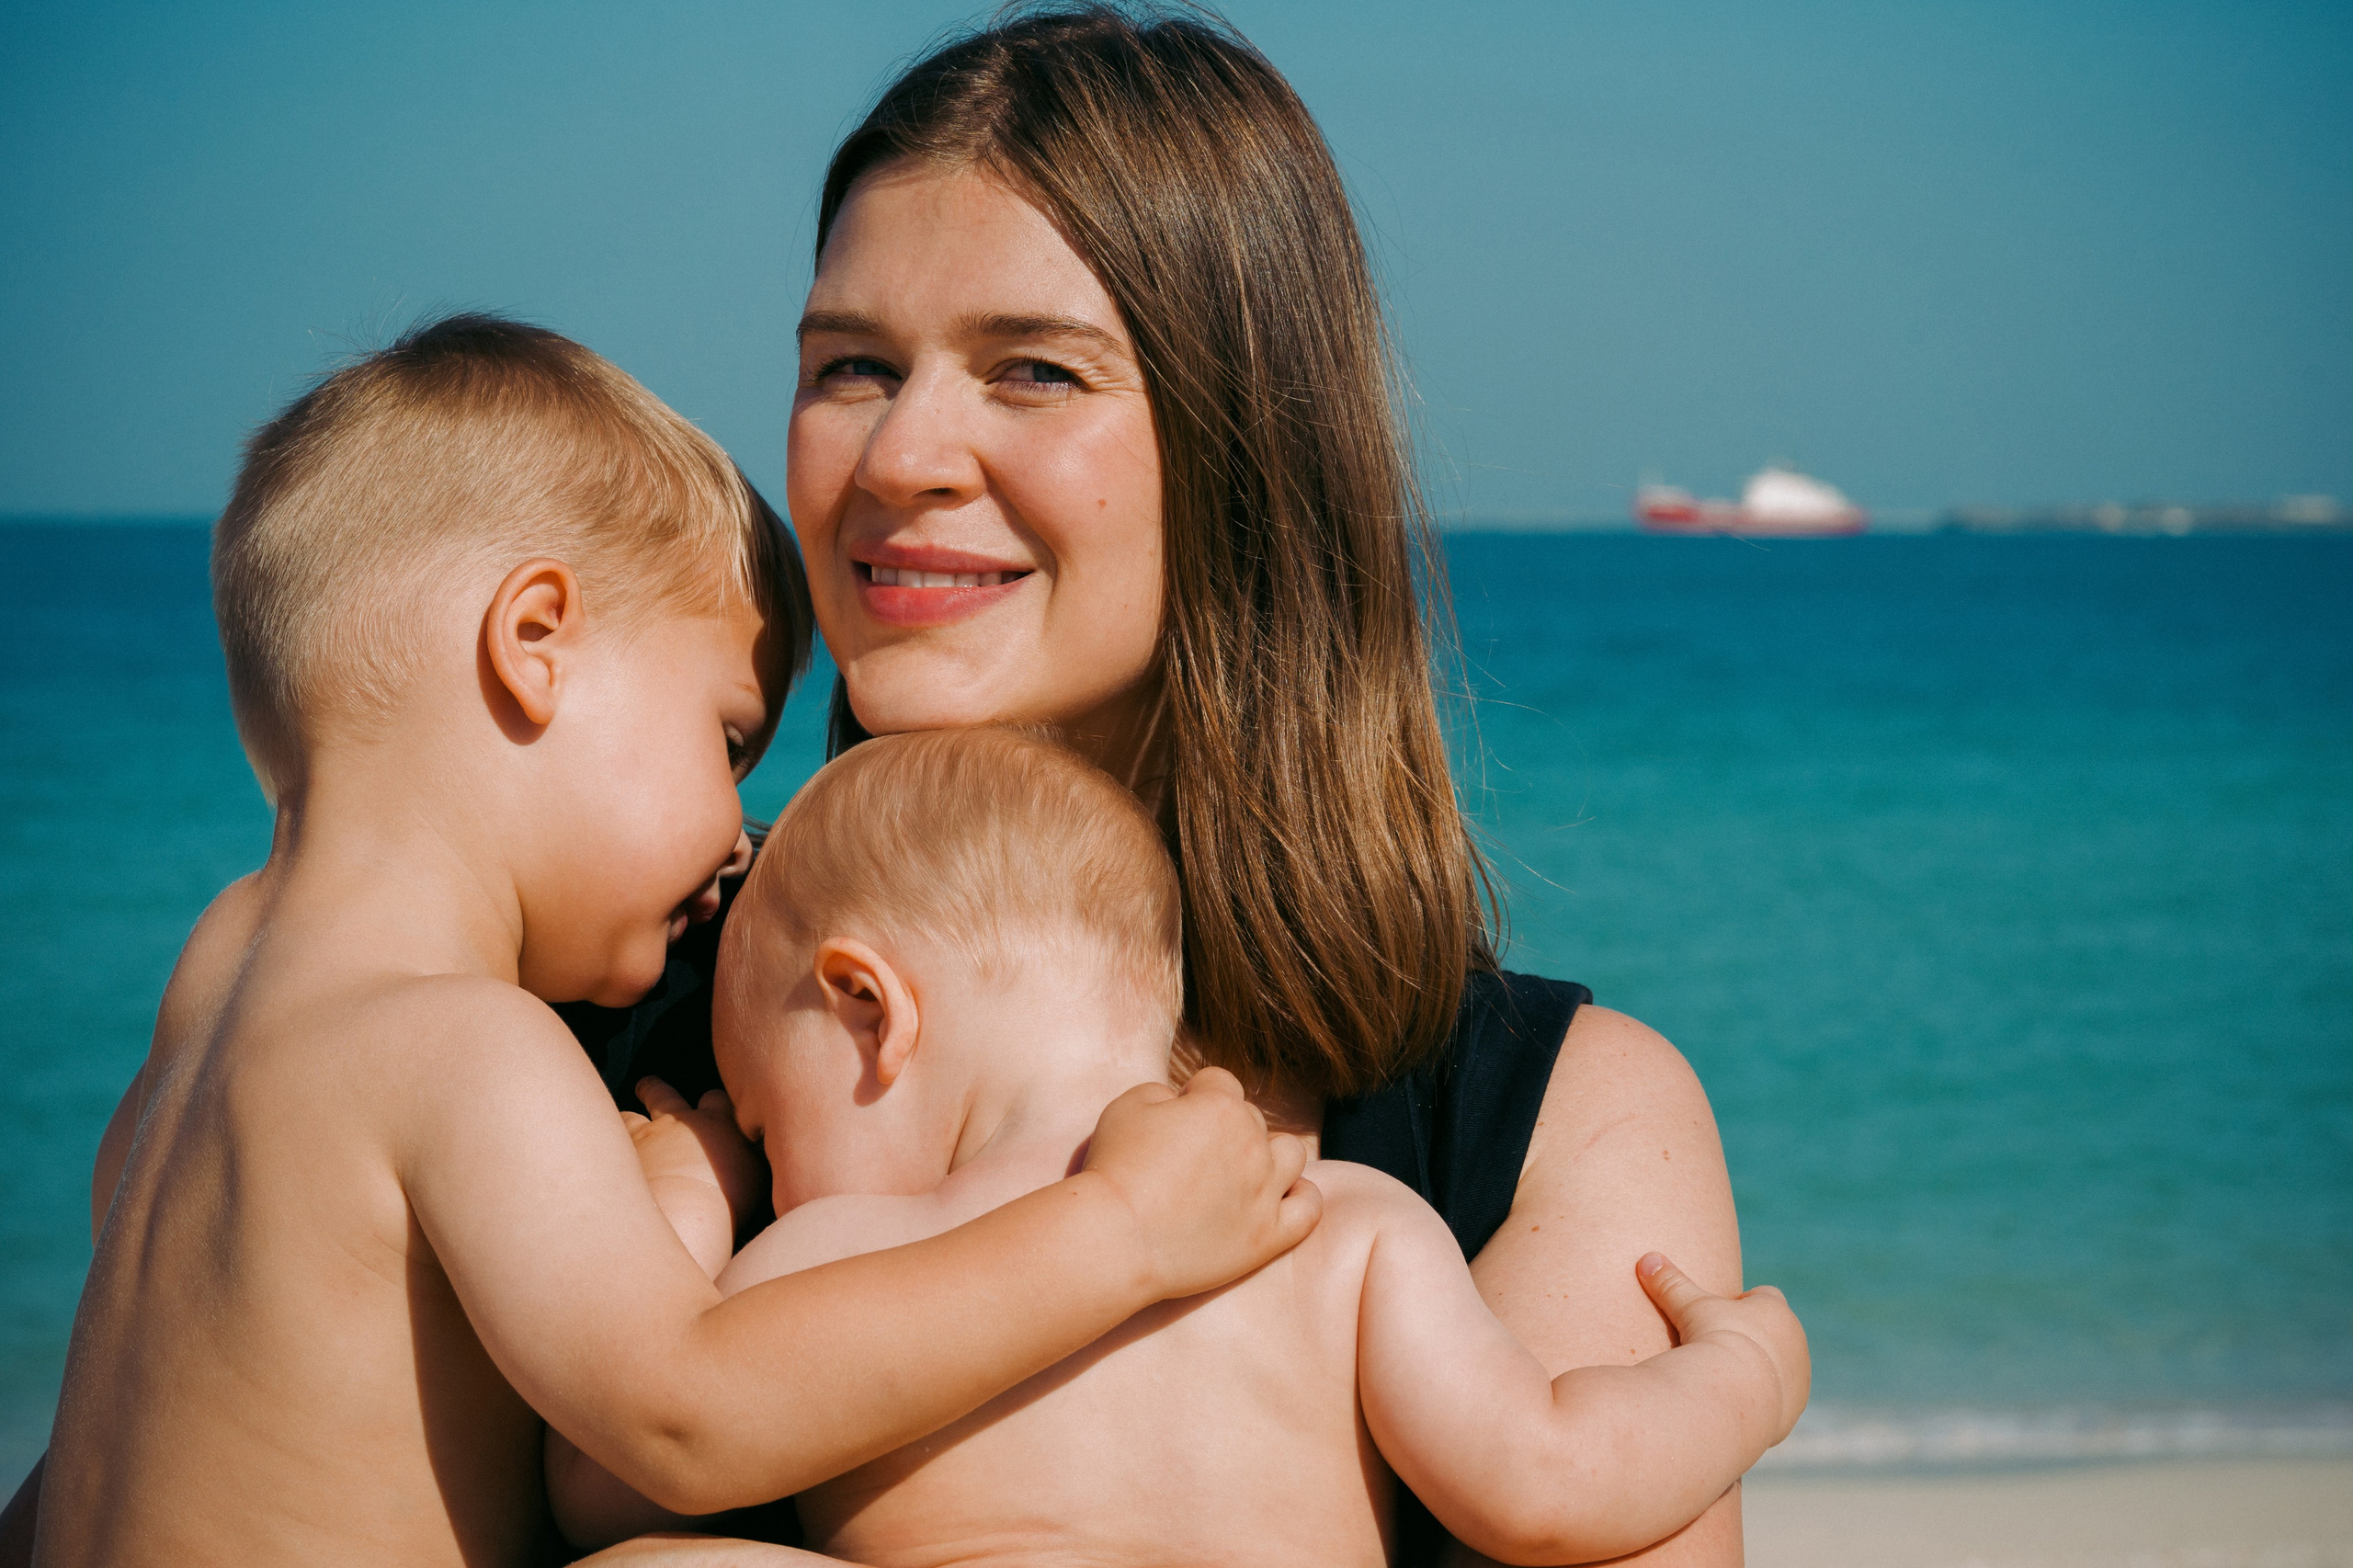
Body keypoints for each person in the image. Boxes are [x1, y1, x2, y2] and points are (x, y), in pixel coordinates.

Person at [557, 9, 1793, 1562]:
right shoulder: (605, 1040)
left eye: (1033, 370)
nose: (901, 454)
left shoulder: (1558, 1119)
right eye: (852, 366)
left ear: (1247, 452)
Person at [22, 317, 1318, 1568]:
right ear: (535, 644)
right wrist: (1118, 1227)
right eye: (729, 739)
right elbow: (685, 1418)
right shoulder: (464, 1046)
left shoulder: (215, 980)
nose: (738, 840)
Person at [550, 727, 1808, 1565]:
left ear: (870, 1012)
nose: (769, 1171)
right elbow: (1548, 1482)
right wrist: (1742, 1383)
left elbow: (617, 1476)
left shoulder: (830, 1252)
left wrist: (688, 1203)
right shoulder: (1349, 1223)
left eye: (764, 1123)